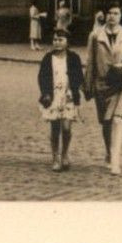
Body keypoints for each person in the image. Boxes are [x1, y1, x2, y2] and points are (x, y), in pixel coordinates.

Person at [90, 0, 122, 176]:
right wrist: (88, 86)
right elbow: (90, 63)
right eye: (110, 13)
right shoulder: (96, 35)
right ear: (105, 15)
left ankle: (116, 161)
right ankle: (109, 153)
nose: (112, 17)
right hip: (102, 84)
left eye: (116, 13)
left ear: (121, 15)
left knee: (117, 119)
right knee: (106, 122)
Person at [37, 27, 85, 171]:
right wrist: (45, 92)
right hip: (53, 96)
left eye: (61, 40)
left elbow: (78, 76)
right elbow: (42, 77)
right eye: (55, 40)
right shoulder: (48, 58)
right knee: (55, 127)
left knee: (66, 128)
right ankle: (55, 156)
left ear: (67, 42)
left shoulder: (74, 58)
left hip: (68, 96)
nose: (57, 43)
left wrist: (74, 89)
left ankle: (65, 153)